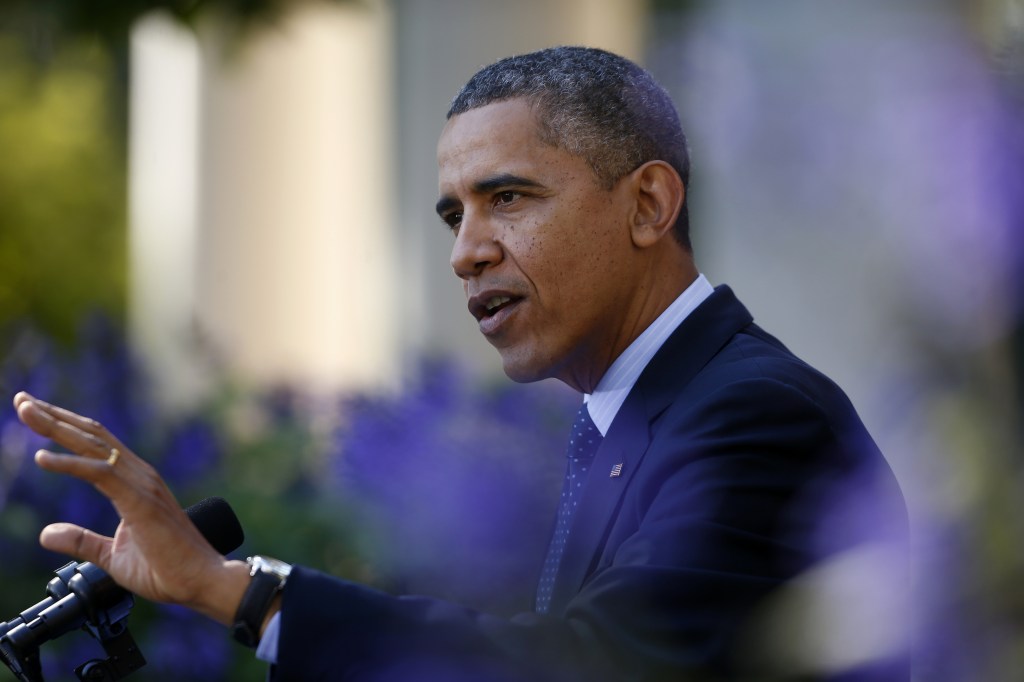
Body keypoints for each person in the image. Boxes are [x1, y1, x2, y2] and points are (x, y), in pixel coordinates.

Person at [13, 46, 908, 681]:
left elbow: (587, 667)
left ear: (648, 206)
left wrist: (235, 591)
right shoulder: (638, 412)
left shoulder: (754, 416)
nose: (466, 253)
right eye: (454, 216)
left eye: (508, 198)